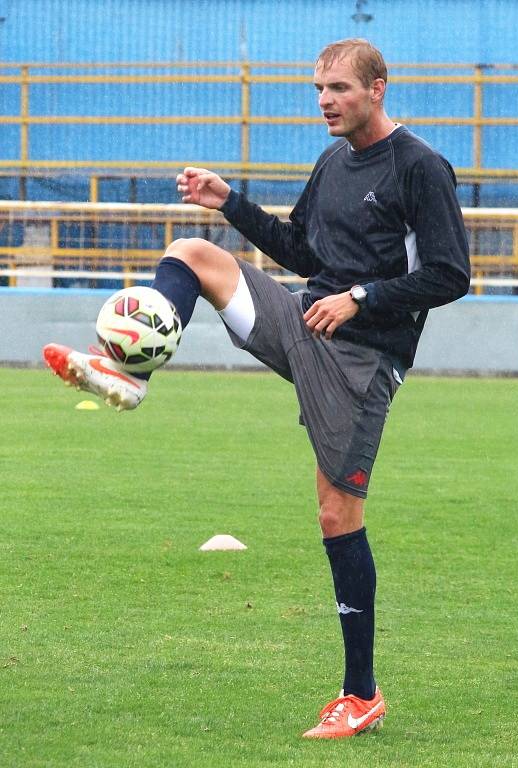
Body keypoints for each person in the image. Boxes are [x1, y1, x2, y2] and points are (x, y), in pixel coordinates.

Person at [44, 38, 470, 738]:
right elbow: (305, 253)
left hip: (362, 359)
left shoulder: (420, 167)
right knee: (193, 253)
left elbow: (451, 274)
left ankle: (359, 693)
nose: (325, 101)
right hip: (306, 321)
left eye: (337, 88)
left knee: (336, 514)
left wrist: (359, 297)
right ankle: (131, 371)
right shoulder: (332, 161)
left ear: (378, 89)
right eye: (317, 89)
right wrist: (230, 203)